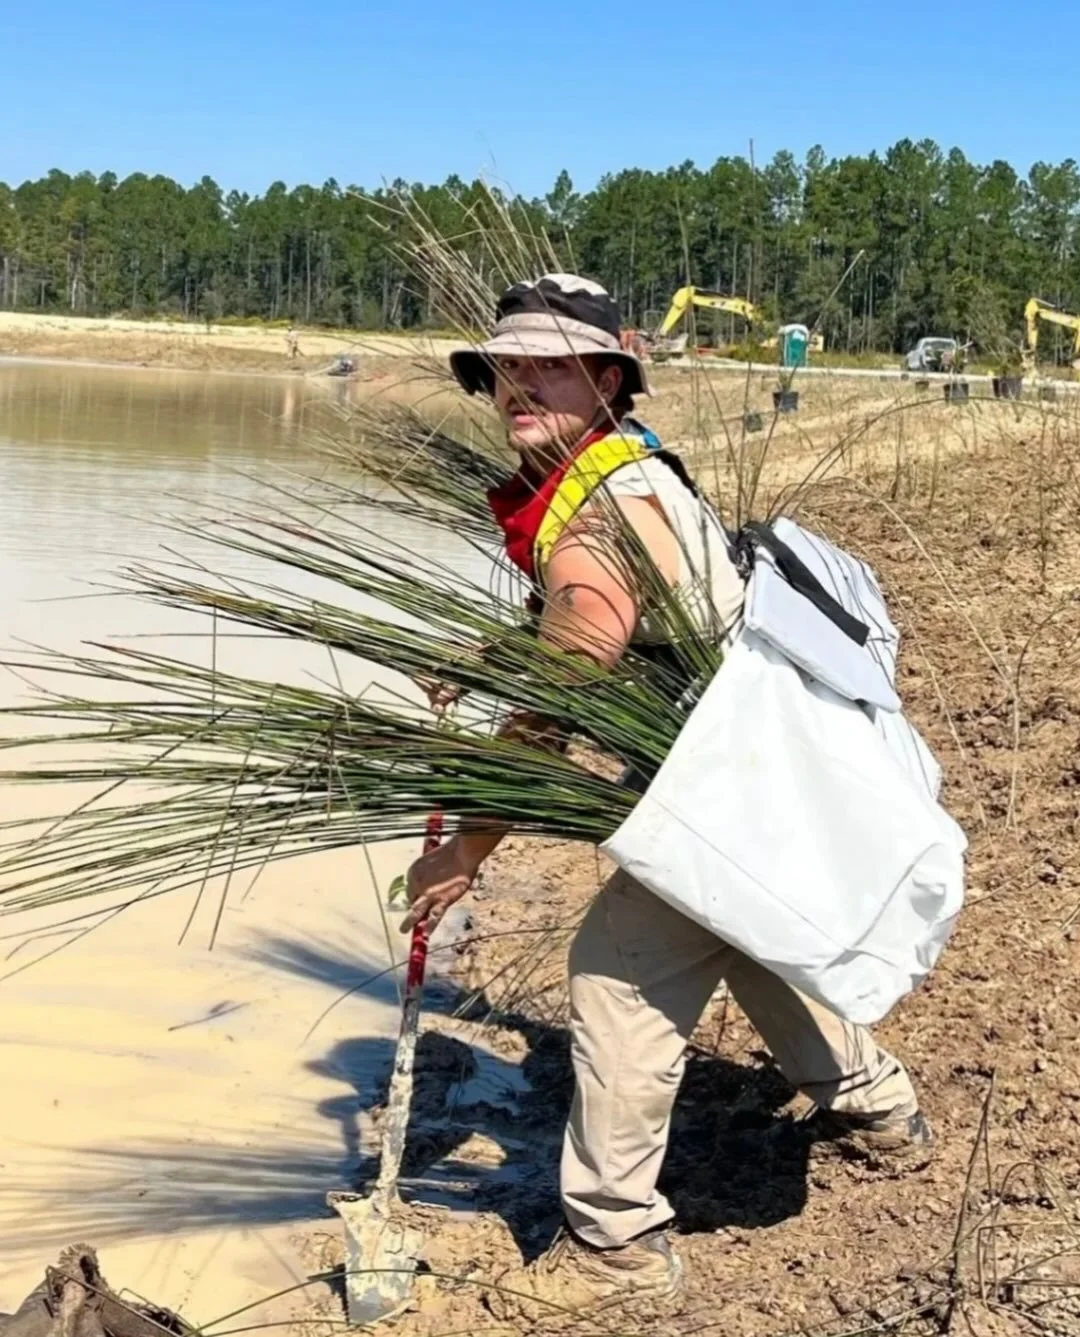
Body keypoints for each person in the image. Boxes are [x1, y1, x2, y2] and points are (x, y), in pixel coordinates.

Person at [403, 273, 931, 1319]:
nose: (518, 384)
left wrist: (468, 845)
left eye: (549, 364)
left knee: (614, 973)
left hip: (732, 781)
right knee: (744, 936)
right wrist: (491, 653)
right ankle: (877, 1107)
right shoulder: (630, 471)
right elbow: (601, 619)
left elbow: (582, 655)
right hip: (774, 773)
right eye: (505, 367)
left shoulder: (592, 510)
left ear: (608, 378)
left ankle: (614, 1245)